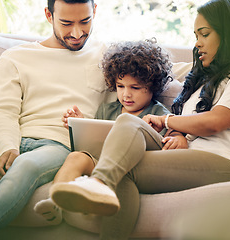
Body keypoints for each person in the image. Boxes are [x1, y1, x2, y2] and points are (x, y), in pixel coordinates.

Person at [48, 0, 230, 234]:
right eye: (196, 35)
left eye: (204, 34)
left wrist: (167, 121)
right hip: (198, 154)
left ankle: (100, 182)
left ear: (229, 34)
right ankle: (102, 184)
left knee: (124, 165)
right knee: (127, 126)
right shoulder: (206, 80)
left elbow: (216, 121)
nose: (197, 43)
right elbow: (186, 113)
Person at [0, 0, 116, 239]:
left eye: (85, 21)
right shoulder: (16, 57)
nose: (76, 33)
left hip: (59, 145)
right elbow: (3, 110)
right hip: (14, 137)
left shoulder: (107, 57)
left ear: (95, 11)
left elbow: (120, 110)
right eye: (66, 23)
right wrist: (8, 145)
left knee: (26, 166)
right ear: (48, 15)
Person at [34, 40, 188, 237]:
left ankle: (92, 192)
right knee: (76, 157)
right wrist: (79, 123)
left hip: (137, 168)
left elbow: (172, 130)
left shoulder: (158, 112)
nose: (126, 94)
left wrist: (177, 136)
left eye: (135, 87)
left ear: (152, 86)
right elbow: (93, 139)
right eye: (120, 86)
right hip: (101, 164)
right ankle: (55, 201)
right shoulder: (107, 109)